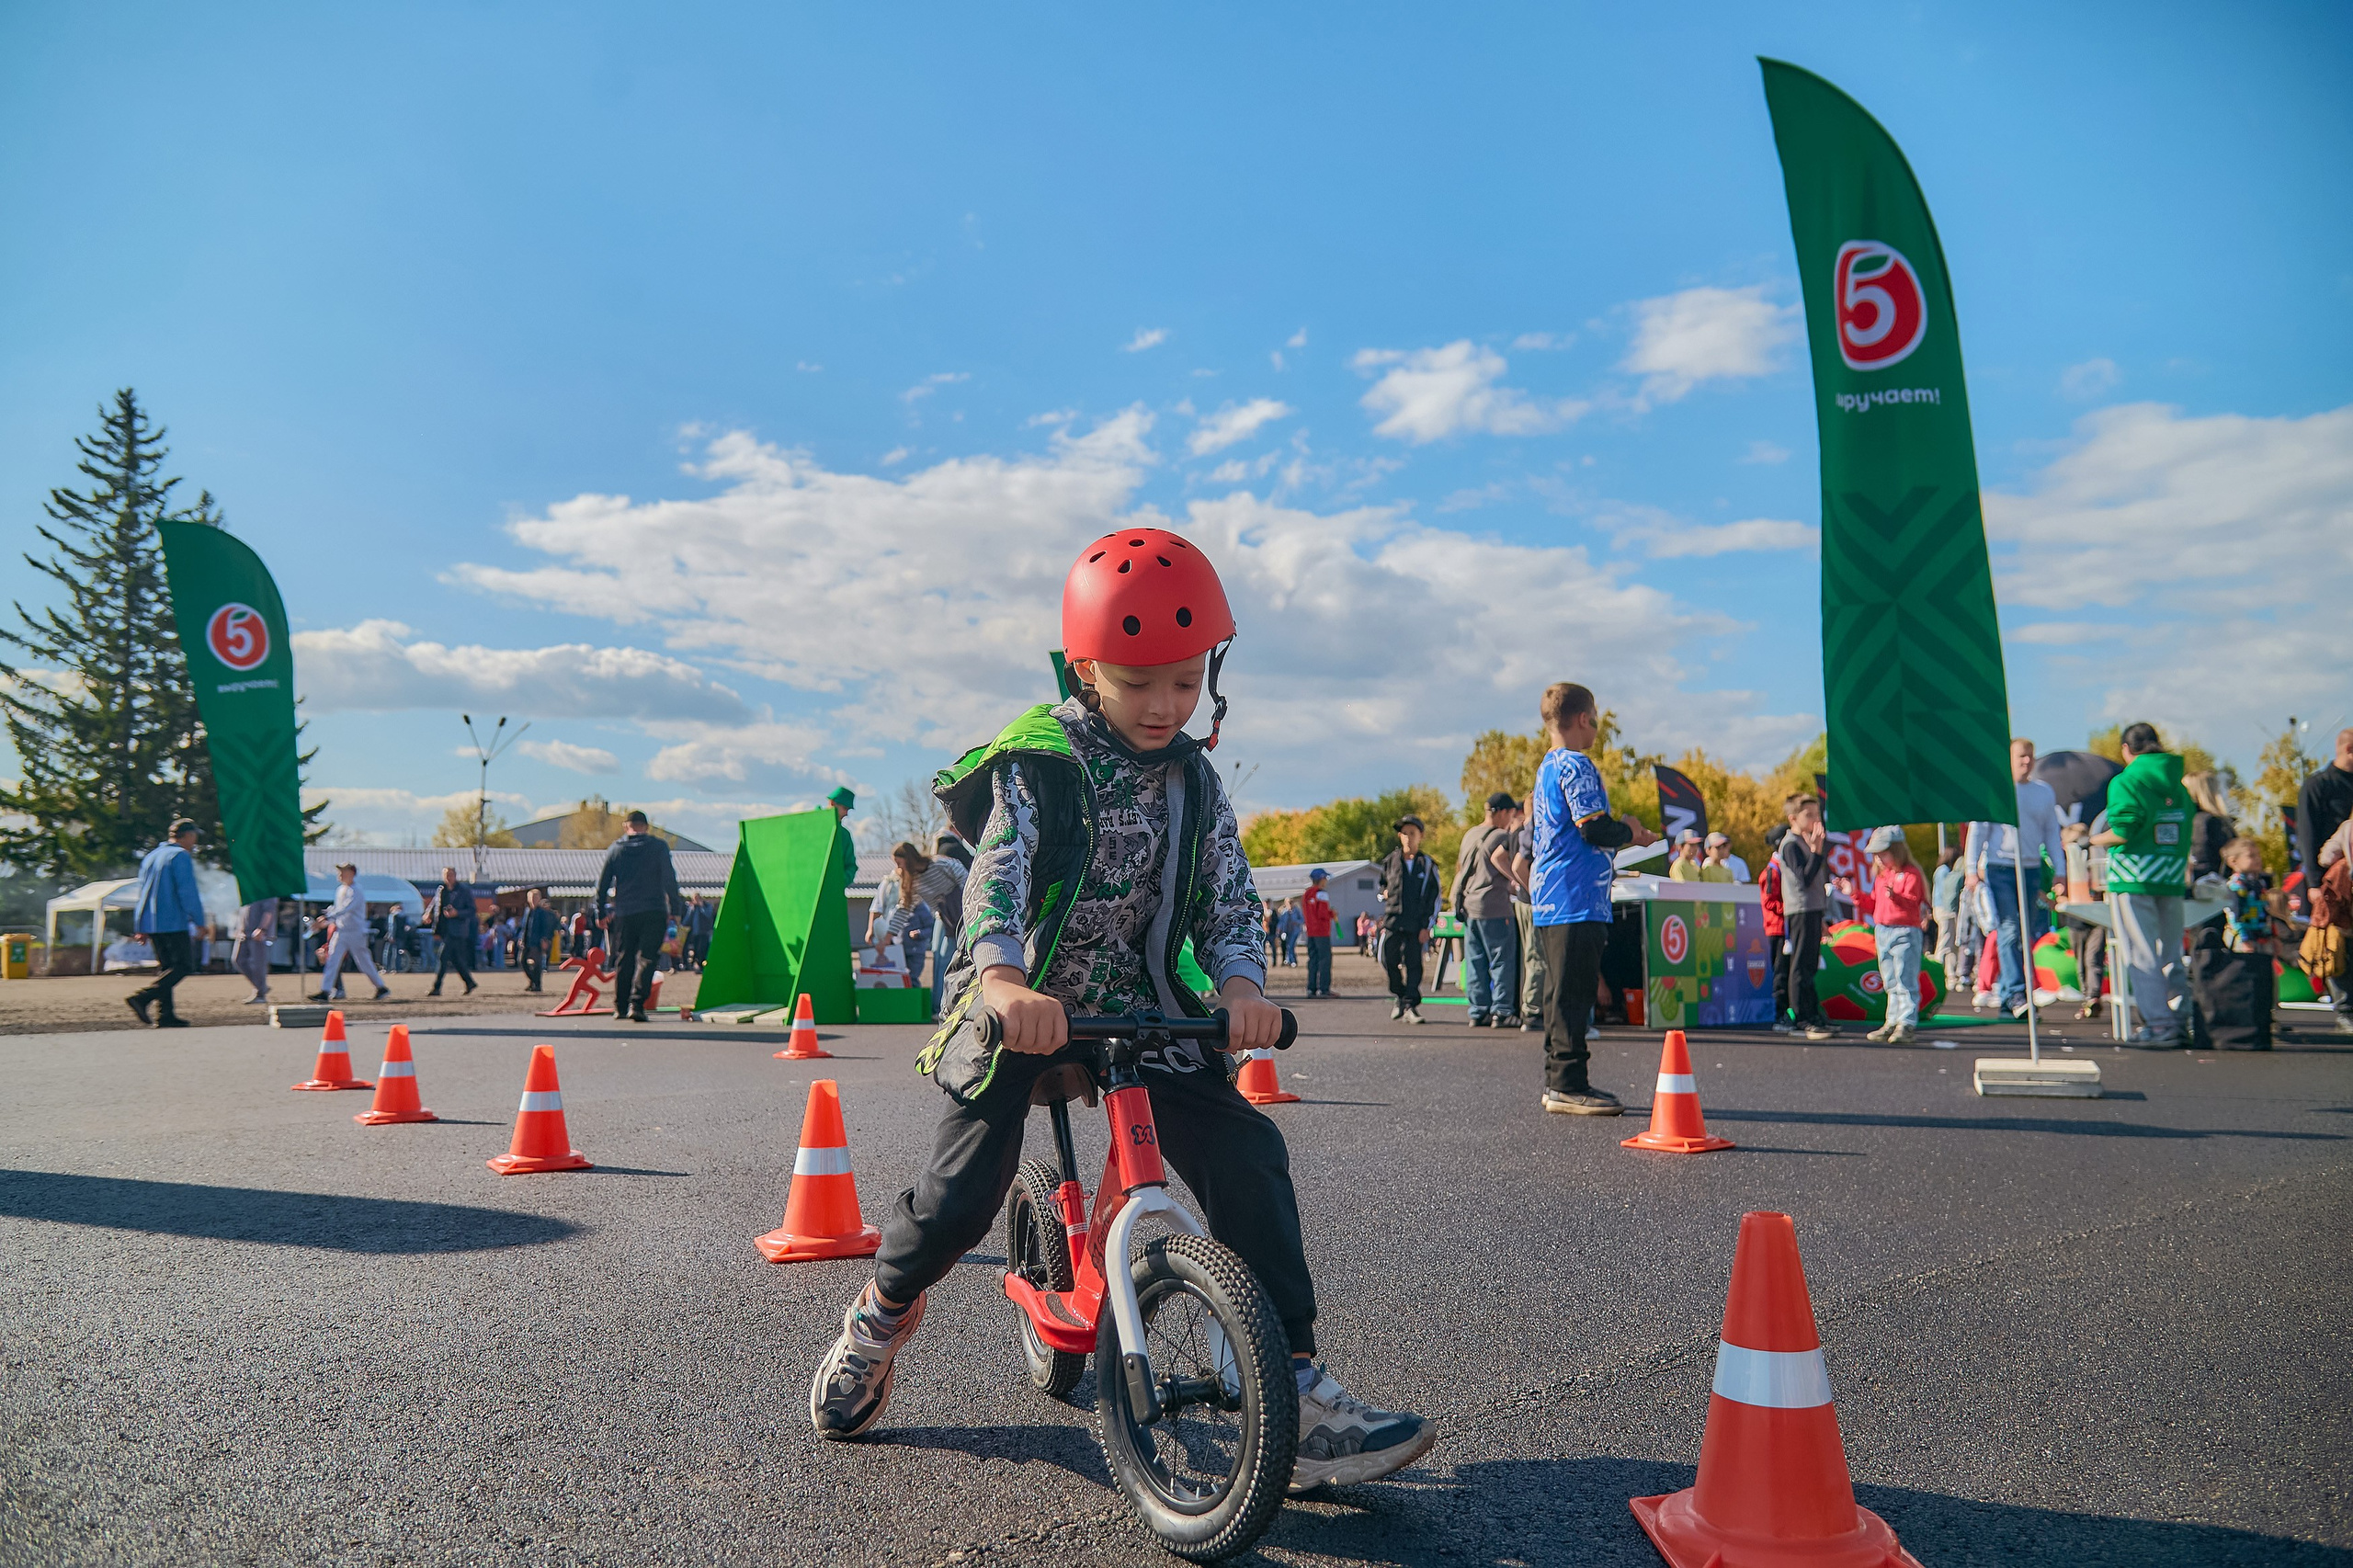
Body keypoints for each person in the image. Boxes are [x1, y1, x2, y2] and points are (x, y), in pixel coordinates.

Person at [811, 526, 1433, 1491]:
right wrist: (1003, 979)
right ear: (1088, 664)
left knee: (1245, 1148)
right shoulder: (1042, 762)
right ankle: (879, 1313)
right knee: (958, 1195)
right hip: (1024, 996)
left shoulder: (1194, 775)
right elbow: (999, 875)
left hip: (1142, 1000)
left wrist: (1238, 986)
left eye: (1184, 682)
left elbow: (1226, 896)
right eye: (1139, 682)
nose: (1163, 706)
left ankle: (1296, 1383)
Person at [1514, 682, 1657, 1113]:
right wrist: (1631, 832)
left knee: (1560, 992)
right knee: (1573, 994)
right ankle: (1568, 1083)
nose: (1597, 727)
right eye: (1595, 718)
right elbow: (1593, 827)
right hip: (1575, 896)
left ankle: (1559, 1079)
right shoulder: (1577, 764)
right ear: (1583, 718)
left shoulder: (1548, 766)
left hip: (1554, 895)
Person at [2092, 722, 2192, 1045]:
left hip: (2134, 876)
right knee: (2171, 952)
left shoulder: (2126, 781)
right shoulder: (2178, 785)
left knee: (2141, 953)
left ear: (2126, 749)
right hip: (2171, 874)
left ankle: (2160, 1026)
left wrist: (2091, 839)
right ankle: (2179, 1018)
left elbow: (2124, 828)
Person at [1963, 739, 2069, 1019]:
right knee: (2009, 928)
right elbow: (1978, 831)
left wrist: (2060, 870)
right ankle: (2016, 993)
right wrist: (1971, 870)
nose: (2027, 762)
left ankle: (2011, 998)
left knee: (2026, 932)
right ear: (2009, 759)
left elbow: (2051, 833)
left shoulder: (2042, 792)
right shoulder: (1996, 790)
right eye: (2021, 757)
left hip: (2031, 868)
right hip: (2000, 867)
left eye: (2030, 757)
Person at [597, 810, 684, 1024]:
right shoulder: (658, 847)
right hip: (654, 909)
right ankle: (637, 1004)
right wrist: (676, 910)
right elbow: (669, 879)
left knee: (624, 957)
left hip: (625, 912)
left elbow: (603, 882)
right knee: (648, 957)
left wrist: (600, 911)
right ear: (646, 826)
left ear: (626, 826)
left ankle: (620, 1006)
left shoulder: (616, 849)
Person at [2295, 730, 2353, 1033]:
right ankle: (2346, 1008)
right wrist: (2315, 884)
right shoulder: (2318, 786)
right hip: (2333, 882)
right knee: (2336, 943)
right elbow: (2307, 837)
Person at [1447, 792, 1519, 1028]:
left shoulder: (1470, 835)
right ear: (1501, 812)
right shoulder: (1501, 836)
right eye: (1510, 814)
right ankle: (1502, 1011)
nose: (1510, 820)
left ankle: (1478, 1011)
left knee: (1475, 961)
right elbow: (1505, 863)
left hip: (1470, 906)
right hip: (1495, 906)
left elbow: (1461, 868)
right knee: (1501, 960)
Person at [126, 819, 204, 1028]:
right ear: (188, 836)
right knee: (185, 965)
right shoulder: (180, 856)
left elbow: (142, 892)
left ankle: (165, 1015)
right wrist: (199, 920)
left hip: (152, 921)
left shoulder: (151, 857)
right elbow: (187, 892)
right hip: (173, 920)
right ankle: (142, 997)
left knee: (167, 968)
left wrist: (140, 925)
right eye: (194, 836)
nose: (195, 841)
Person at [1776, 796, 1836, 1040]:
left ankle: (1813, 1014)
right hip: (1799, 910)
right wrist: (1816, 851)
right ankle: (1801, 1017)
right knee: (1800, 965)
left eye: (1816, 814)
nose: (1815, 820)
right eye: (1808, 815)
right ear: (1793, 819)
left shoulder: (1805, 842)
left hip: (1812, 910)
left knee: (1810, 964)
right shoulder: (1791, 845)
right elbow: (1804, 878)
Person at [1864, 826, 1927, 1044]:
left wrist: (1896, 896)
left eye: (1882, 852)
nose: (1878, 858)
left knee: (1905, 978)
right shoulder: (1882, 877)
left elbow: (1913, 902)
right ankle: (1892, 1021)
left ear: (1897, 850)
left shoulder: (1911, 874)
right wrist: (1851, 893)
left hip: (1904, 931)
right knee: (1890, 979)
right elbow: (1873, 902)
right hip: (1883, 930)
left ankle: (1907, 1023)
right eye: (1876, 854)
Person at [1378, 815, 1440, 1023]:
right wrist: (1384, 893)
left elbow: (1435, 897)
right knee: (1387, 959)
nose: (1408, 837)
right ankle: (1400, 995)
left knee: (1414, 964)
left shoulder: (1428, 864)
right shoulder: (1390, 861)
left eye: (1412, 833)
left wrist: (1427, 927)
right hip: (1393, 921)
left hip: (1416, 925)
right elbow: (1381, 887)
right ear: (1399, 836)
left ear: (1420, 836)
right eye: (1404, 833)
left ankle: (1410, 1006)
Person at [310, 862, 392, 1003]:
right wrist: (325, 919)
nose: (340, 875)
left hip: (355, 932)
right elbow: (336, 909)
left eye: (343, 872)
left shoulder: (356, 890)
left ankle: (381, 987)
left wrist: (327, 918)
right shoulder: (340, 889)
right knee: (332, 960)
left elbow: (346, 909)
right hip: (341, 931)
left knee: (363, 962)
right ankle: (325, 991)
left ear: (352, 873)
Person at [426, 868, 478, 996]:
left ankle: (437, 987)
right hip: (444, 929)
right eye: (446, 875)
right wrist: (428, 914)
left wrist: (457, 913)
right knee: (456, 959)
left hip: (457, 931)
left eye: (450, 875)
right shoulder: (441, 890)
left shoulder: (464, 891)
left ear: (455, 876)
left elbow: (472, 910)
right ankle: (470, 982)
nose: (448, 877)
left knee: (442, 957)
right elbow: (434, 904)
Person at [1761, 823, 1790, 1031]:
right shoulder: (1772, 871)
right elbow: (1769, 901)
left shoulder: (1783, 867)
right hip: (1778, 929)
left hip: (1787, 927)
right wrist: (1790, 907)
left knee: (1789, 973)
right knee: (1780, 974)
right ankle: (1780, 1016)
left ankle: (1790, 1012)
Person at [233, 894, 278, 1005]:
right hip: (245, 932)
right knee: (238, 960)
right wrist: (239, 928)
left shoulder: (267, 891)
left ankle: (260, 993)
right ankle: (261, 987)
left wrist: (262, 929)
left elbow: (269, 911)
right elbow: (243, 911)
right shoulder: (249, 890)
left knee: (259, 964)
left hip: (258, 934)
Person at [1301, 867, 1337, 997]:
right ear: (1321, 879)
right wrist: (1332, 914)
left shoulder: (1306, 894)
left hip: (1311, 932)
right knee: (1325, 959)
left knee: (1313, 960)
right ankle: (1324, 988)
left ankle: (1311, 988)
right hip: (1322, 932)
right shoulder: (1321, 893)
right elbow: (1322, 914)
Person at [519, 888, 558, 994]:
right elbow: (524, 927)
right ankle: (533, 981)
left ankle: (537, 985)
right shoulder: (528, 911)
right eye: (531, 898)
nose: (533, 900)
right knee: (522, 961)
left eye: (536, 898)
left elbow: (546, 927)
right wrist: (521, 939)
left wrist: (545, 939)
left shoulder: (542, 912)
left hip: (538, 941)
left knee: (537, 964)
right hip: (527, 941)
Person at [1278, 898, 1304, 966]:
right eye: (1289, 903)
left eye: (1291, 902)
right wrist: (1280, 930)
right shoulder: (1284, 912)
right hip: (1287, 932)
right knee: (1288, 946)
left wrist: (1296, 922)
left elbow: (1302, 919)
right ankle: (1289, 960)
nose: (1290, 904)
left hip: (1294, 931)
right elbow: (1281, 922)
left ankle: (1292, 960)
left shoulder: (1297, 911)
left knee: (1291, 945)